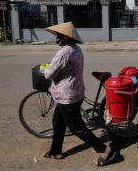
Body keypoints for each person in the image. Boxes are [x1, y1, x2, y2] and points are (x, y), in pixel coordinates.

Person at [43, 22, 116, 166]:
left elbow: (49, 74)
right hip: (75, 91)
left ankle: (106, 150)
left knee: (77, 128)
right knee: (58, 122)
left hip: (67, 95)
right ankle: (56, 151)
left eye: (60, 36)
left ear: (67, 38)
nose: (57, 38)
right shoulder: (76, 49)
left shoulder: (64, 52)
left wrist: (46, 69)